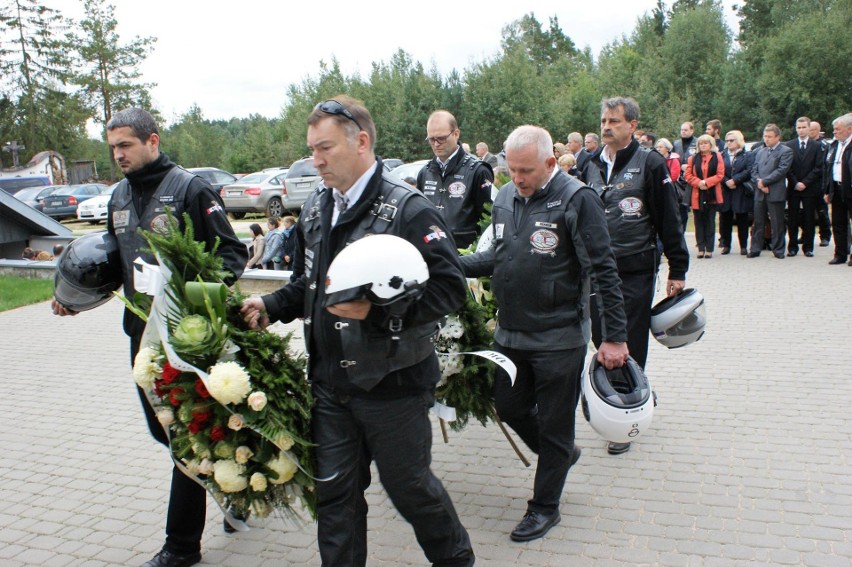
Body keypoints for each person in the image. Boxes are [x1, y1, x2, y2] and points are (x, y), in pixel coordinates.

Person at [241, 96, 475, 567]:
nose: (316, 160)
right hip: (330, 384)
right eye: (312, 149)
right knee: (335, 498)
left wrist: (380, 313)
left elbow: (450, 289)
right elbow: (312, 284)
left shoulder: (407, 209)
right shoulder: (314, 209)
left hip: (394, 386)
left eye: (325, 148)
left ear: (361, 142)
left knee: (411, 490)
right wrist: (269, 304)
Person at [52, 107, 247, 567]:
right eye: (113, 147)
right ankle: (233, 478)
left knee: (184, 440)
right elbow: (112, 266)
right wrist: (74, 300)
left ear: (152, 141)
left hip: (188, 336)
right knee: (166, 434)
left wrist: (188, 298)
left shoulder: (191, 189)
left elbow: (233, 256)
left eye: (125, 145)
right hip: (141, 338)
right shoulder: (118, 196)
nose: (118, 154)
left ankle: (181, 548)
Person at [460, 125, 628, 543]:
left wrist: (614, 337)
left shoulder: (576, 199)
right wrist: (452, 263)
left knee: (555, 425)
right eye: (511, 170)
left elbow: (604, 271)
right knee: (508, 404)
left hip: (559, 337)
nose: (516, 179)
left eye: (526, 171)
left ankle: (545, 507)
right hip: (511, 334)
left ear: (551, 163)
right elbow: (499, 256)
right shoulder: (503, 197)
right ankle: (561, 456)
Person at [582, 97, 689, 455]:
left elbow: (669, 219)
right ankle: (631, 386)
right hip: (598, 269)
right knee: (601, 333)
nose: (606, 127)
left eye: (614, 120)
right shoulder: (590, 164)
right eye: (603, 120)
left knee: (628, 336)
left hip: (636, 266)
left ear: (632, 125)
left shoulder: (651, 163)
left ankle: (626, 410)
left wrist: (678, 267)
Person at [416, 110, 494, 248]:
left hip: (464, 254)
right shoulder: (425, 172)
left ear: (456, 134)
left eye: (441, 138)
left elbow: (488, 221)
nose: (436, 144)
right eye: (431, 139)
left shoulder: (477, 170)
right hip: (433, 252)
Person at [748, 124, 794, 259]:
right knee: (758, 222)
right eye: (765, 136)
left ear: (777, 137)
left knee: (777, 222)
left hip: (775, 192)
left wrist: (765, 182)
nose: (766, 139)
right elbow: (754, 170)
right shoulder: (760, 152)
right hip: (760, 192)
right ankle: (755, 248)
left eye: (769, 137)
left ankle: (778, 249)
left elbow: (781, 170)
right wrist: (759, 182)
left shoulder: (786, 151)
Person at [785, 116, 825, 257]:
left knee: (809, 218)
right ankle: (792, 247)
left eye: (803, 127)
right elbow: (786, 167)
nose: (801, 130)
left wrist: (805, 182)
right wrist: (795, 182)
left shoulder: (817, 146)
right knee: (792, 218)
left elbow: (819, 167)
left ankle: (808, 247)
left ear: (809, 128)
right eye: (798, 127)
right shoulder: (789, 145)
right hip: (793, 188)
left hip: (810, 188)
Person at [685, 134, 725, 259]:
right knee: (698, 222)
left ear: (711, 144)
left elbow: (720, 174)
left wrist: (706, 182)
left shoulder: (717, 157)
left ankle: (709, 249)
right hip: (697, 193)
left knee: (710, 222)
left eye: (705, 143)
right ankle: (700, 248)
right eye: (701, 143)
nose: (703, 145)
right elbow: (688, 175)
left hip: (711, 193)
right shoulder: (693, 158)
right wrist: (698, 183)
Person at [719, 130, 755, 255]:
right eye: (727, 140)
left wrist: (735, 180)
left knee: (742, 219)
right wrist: (727, 181)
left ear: (738, 140)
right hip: (726, 190)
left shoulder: (747, 155)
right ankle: (726, 245)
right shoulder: (722, 155)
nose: (729, 143)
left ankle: (743, 246)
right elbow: (718, 171)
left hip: (741, 190)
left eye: (732, 140)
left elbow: (749, 170)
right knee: (725, 219)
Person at [824, 113, 852, 265]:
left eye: (838, 129)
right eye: (834, 129)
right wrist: (827, 190)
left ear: (849, 129)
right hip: (836, 188)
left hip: (850, 188)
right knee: (838, 223)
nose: (834, 132)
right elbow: (827, 169)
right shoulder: (834, 145)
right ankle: (840, 254)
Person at [809, 121, 832, 247]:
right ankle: (806, 235)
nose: (809, 132)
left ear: (817, 130)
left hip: (821, 183)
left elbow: (824, 165)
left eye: (811, 130)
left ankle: (825, 236)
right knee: (807, 212)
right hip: (809, 184)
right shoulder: (807, 144)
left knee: (822, 211)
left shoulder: (824, 145)